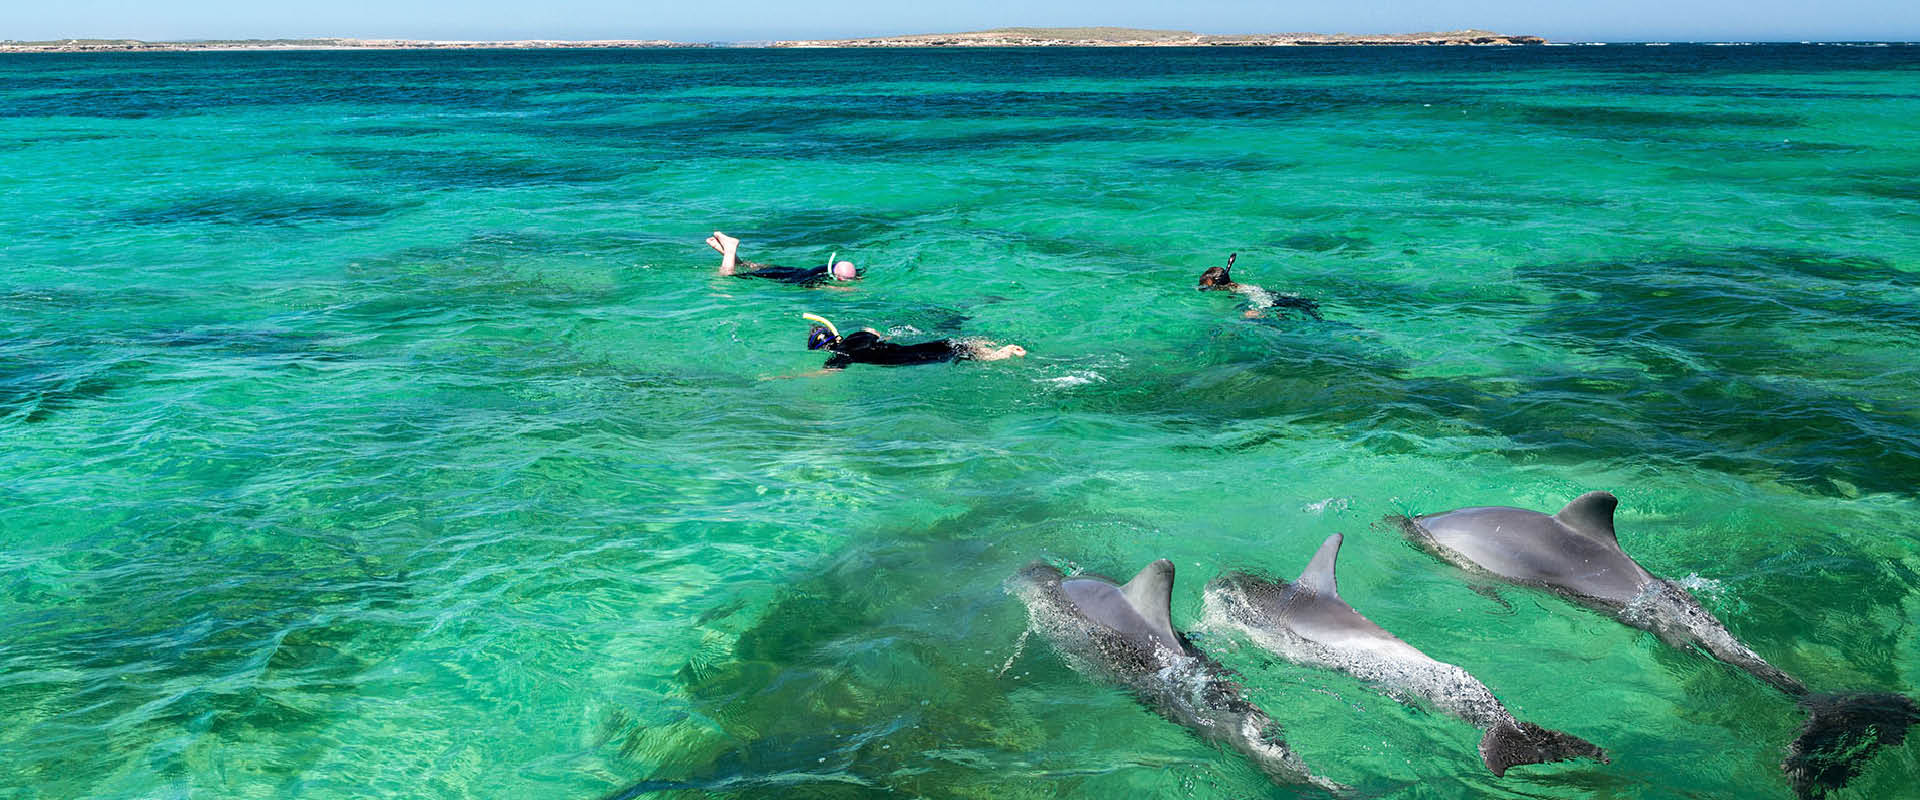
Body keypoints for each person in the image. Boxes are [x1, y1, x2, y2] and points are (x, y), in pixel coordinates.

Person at [800, 314, 1024, 372]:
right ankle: (998, 350)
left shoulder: (838, 358)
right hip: (914, 349)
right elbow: (872, 330)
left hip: (909, 361)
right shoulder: (855, 338)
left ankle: (1001, 353)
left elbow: (825, 375)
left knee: (957, 351)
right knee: (957, 345)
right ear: (836, 336)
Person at [1197, 253, 1323, 320]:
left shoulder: (1241, 289)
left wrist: (1261, 311)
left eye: (1208, 287)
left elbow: (1263, 298)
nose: (1207, 290)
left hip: (1280, 302)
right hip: (1279, 300)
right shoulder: (1233, 288)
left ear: (1218, 285)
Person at [707, 231, 859, 286]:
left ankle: (730, 253)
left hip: (791, 271)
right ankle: (730, 249)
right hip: (782, 276)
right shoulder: (821, 281)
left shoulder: (825, 270)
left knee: (753, 267)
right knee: (726, 277)